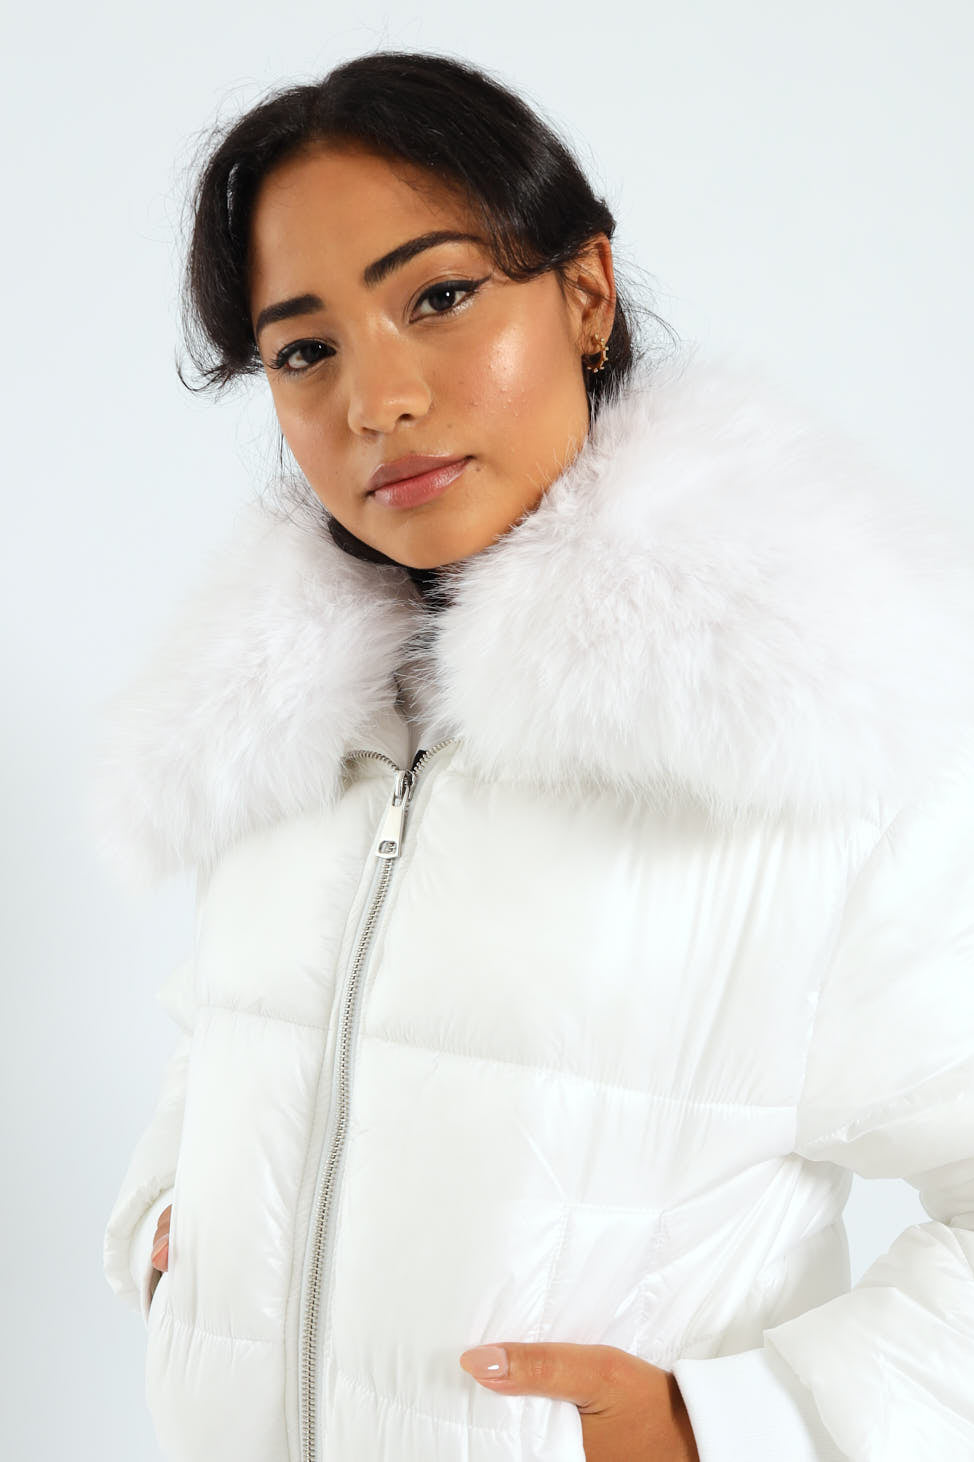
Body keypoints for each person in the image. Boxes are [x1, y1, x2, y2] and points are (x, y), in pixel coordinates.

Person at [90, 49, 974, 1462]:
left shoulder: (807, 728)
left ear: (585, 292)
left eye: (439, 296)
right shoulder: (281, 727)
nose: (376, 399)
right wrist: (169, 1222)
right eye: (304, 350)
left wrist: (725, 1426)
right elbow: (239, 1036)